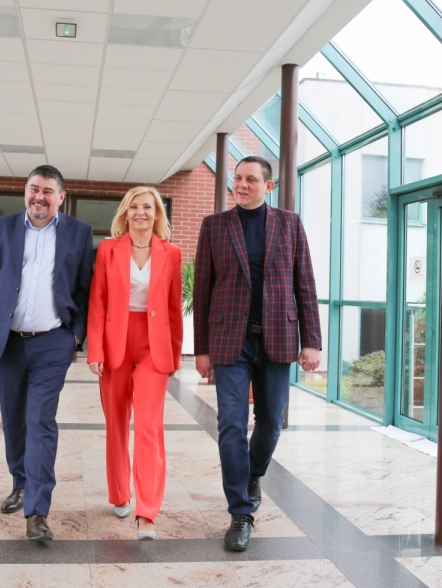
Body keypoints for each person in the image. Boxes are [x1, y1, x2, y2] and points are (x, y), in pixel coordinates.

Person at [193, 156, 321, 552]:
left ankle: (253, 472)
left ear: (268, 186)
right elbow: (202, 290)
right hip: (230, 341)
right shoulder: (215, 226)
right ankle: (240, 512)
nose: (241, 185)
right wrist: (201, 348)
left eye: (250, 179)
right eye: (237, 179)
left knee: (270, 422)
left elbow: (305, 283)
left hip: (277, 339)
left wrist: (312, 340)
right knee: (231, 425)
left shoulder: (289, 224)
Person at [0, 165, 94, 541]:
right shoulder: (0, 229)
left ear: (60, 197)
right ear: (25, 191)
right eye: (34, 189)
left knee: (41, 421)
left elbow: (85, 287)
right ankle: (20, 481)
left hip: (53, 341)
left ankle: (37, 510)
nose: (39, 196)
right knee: (13, 418)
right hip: (8, 342)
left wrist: (75, 336)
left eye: (48, 191)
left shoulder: (79, 234)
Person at [87, 187, 183, 541]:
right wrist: (95, 350)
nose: (141, 212)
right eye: (134, 207)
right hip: (115, 342)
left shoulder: (171, 253)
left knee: (147, 426)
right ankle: (119, 494)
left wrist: (174, 353)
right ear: (125, 214)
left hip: (153, 346)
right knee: (116, 421)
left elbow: (174, 309)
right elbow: (97, 302)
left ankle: (147, 513)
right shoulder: (109, 250)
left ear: (157, 214)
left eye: (148, 207)